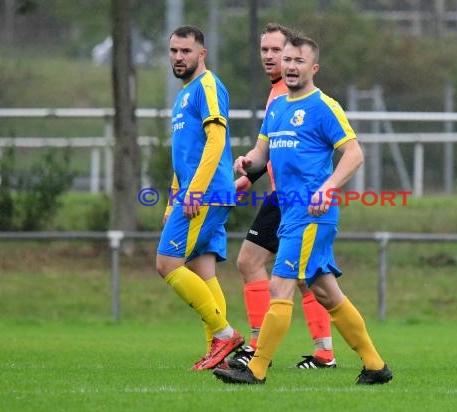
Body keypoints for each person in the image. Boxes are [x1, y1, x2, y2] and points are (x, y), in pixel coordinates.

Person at [213, 33, 393, 385]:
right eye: (287, 59)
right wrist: (247, 163)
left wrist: (328, 187)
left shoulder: (323, 106)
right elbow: (262, 155)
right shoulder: (278, 107)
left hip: (312, 213)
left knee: (280, 287)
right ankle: (375, 366)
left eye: (298, 61)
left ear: (314, 67)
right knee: (326, 293)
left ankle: (257, 368)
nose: (290, 66)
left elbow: (354, 154)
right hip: (288, 210)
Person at [226, 23, 338, 370]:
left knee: (250, 262)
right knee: (309, 279)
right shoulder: (278, 95)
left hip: (292, 200)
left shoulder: (290, 95)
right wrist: (249, 172)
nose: (271, 57)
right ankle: (324, 352)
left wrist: (253, 174)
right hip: (283, 196)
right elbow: (271, 149)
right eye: (266, 51)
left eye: (278, 51)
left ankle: (258, 347)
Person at [157, 25, 243, 371]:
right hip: (196, 192)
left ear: (201, 54)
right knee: (201, 267)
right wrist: (171, 201)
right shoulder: (183, 95)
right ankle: (218, 353)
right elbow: (185, 157)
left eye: (186, 51)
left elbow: (215, 141)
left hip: (204, 193)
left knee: (167, 264)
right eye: (174, 51)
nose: (179, 57)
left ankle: (224, 334)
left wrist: (193, 192)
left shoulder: (207, 86)